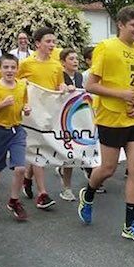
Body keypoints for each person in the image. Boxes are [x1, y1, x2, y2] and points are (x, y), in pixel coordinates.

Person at [77, 5, 134, 244]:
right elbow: (90, 85)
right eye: (133, 26)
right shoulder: (106, 48)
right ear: (121, 25)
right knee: (108, 169)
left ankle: (129, 225)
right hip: (110, 116)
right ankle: (88, 194)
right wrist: (120, 95)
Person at [17, 27, 64, 209]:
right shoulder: (27, 64)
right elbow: (16, 83)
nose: (52, 45)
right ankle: (42, 194)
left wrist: (63, 87)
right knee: (38, 150)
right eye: (48, 41)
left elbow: (59, 83)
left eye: (53, 41)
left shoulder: (56, 65)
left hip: (49, 113)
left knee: (41, 149)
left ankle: (28, 178)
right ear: (37, 44)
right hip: (31, 114)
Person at [0, 54, 30, 221]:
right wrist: (1, 104)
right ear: (0, 69)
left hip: (17, 130)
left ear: (17, 69)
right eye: (6, 67)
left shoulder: (21, 85)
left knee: (20, 168)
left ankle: (14, 200)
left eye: (13, 67)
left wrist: (26, 108)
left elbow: (24, 102)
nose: (10, 71)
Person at [58, 48, 84, 201]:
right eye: (71, 59)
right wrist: (64, 89)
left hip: (78, 119)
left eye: (76, 58)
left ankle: (68, 186)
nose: (75, 61)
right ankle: (66, 188)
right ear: (63, 62)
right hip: (61, 120)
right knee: (69, 154)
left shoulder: (80, 76)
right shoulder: (59, 76)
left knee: (74, 153)